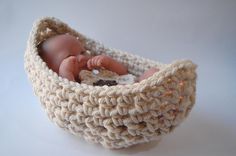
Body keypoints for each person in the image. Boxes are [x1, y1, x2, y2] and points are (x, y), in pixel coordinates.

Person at [39, 34, 159, 85]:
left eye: (82, 52)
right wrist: (66, 71)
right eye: (69, 57)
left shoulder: (95, 68)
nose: (81, 57)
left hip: (132, 83)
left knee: (153, 72)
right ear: (52, 72)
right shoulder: (75, 83)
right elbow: (67, 87)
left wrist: (108, 62)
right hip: (117, 99)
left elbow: (124, 72)